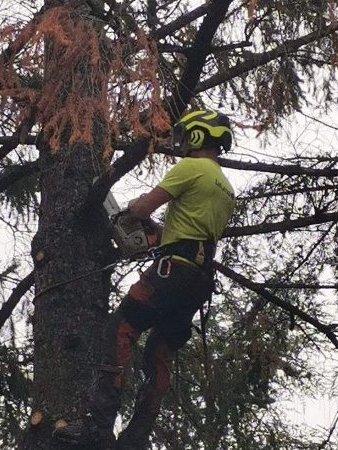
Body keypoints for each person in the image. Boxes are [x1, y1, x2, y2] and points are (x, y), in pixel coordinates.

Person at [55, 109, 236, 449]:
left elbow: (141, 209)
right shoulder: (225, 187)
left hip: (171, 273)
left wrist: (133, 212)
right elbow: (192, 231)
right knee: (158, 352)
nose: (181, 142)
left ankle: (97, 427)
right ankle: (136, 438)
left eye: (186, 135)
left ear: (198, 136)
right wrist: (159, 234)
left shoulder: (191, 167)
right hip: (197, 280)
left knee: (120, 330)